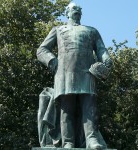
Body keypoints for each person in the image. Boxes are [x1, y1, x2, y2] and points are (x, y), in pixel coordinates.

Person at [37, 2, 112, 149]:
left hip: (87, 72)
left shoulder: (91, 31)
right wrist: (52, 60)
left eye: (79, 10)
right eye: (73, 9)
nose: (77, 11)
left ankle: (91, 140)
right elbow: (42, 49)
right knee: (67, 108)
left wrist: (107, 61)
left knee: (89, 107)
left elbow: (101, 50)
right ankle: (68, 142)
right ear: (67, 13)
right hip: (64, 73)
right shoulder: (58, 30)